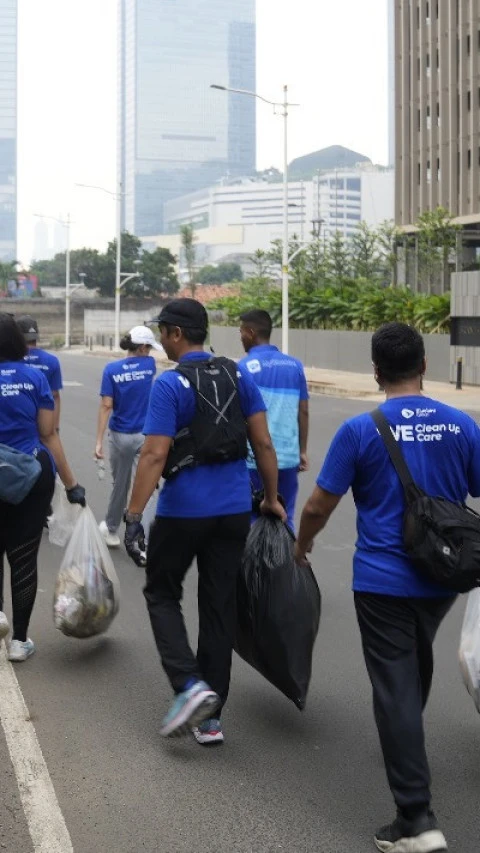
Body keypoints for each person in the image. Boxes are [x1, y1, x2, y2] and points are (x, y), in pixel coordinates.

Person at [295, 322, 480, 853]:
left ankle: (416, 820)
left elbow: (318, 505)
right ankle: (406, 736)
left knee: (396, 682)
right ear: (425, 365)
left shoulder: (359, 430)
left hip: (382, 580)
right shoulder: (460, 423)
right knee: (413, 660)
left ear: (375, 372)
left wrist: (302, 545)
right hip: (444, 577)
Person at [123, 298, 285, 745]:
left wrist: (133, 516)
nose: (162, 343)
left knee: (161, 592)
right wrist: (271, 499)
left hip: (182, 512)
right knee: (218, 607)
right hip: (233, 511)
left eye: (163, 334)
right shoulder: (238, 374)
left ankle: (190, 686)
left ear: (176, 334)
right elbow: (264, 445)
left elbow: (155, 454)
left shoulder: (170, 384)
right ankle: (211, 720)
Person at [0, 313, 85, 662]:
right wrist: (71, 484)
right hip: (30, 474)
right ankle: (20, 641)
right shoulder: (35, 377)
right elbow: (49, 434)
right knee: (23, 559)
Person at [238, 308, 309, 531]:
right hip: (288, 458)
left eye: (241, 332)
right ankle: (287, 563)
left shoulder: (243, 368)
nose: (240, 337)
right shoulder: (295, 365)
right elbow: (303, 411)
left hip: (254, 460)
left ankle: (253, 566)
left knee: (252, 519)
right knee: (286, 518)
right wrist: (302, 451)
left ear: (250, 332)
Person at [94, 326, 161, 548]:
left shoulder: (111, 369)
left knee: (120, 486)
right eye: (149, 348)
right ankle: (146, 536)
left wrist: (98, 442)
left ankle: (111, 529)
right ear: (142, 347)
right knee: (147, 485)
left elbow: (106, 406)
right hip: (144, 435)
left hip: (120, 436)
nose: (150, 352)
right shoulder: (150, 366)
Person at [16, 315, 63, 431]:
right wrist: (55, 428)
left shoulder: (12, 360)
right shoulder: (52, 361)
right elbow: (55, 395)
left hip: (19, 423)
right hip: (44, 422)